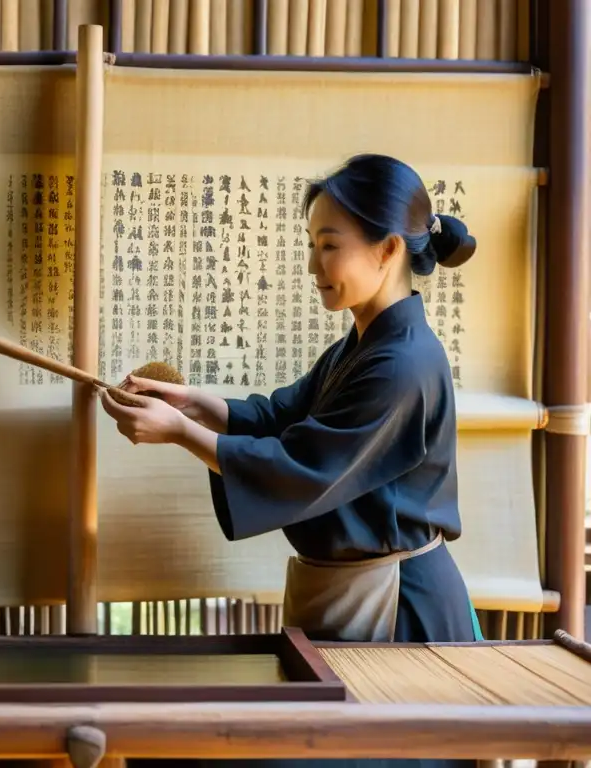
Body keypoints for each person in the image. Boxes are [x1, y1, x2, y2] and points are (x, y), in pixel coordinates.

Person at [100, 153, 482, 768]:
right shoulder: (362, 344)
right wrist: (196, 404)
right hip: (351, 595)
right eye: (311, 244)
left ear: (386, 250)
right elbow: (283, 417)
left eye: (329, 246)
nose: (314, 266)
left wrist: (178, 432)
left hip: (398, 610)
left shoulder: (404, 364)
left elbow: (305, 464)